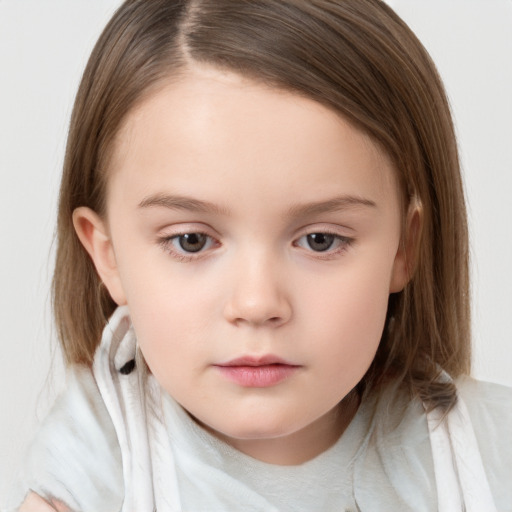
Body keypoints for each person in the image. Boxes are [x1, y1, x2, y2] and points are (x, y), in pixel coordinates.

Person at [12, 0, 511, 510]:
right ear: (108, 255)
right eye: (192, 241)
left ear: (404, 247)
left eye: (320, 240)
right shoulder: (91, 474)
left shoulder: (489, 453)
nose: (257, 303)